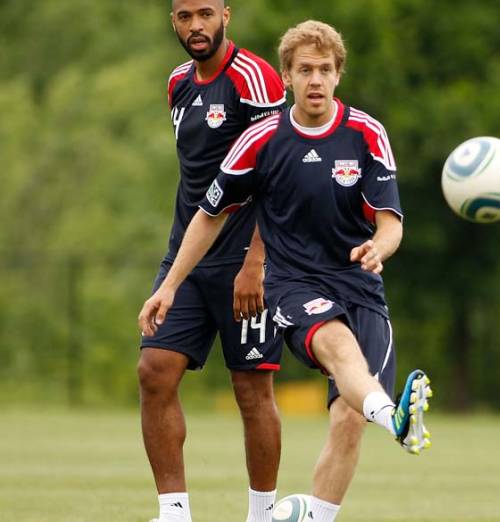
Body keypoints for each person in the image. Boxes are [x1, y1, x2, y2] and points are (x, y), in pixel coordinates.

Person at [139, 19, 432, 522]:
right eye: (304, 70)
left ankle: (318, 512)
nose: (315, 79)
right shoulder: (262, 139)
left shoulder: (365, 133)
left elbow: (390, 224)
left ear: (339, 75)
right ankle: (396, 418)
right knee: (338, 349)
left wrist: (377, 249)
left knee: (347, 416)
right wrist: (168, 286)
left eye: (324, 70)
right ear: (288, 77)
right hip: (294, 286)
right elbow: (208, 216)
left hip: (362, 286)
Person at [138, 1, 287, 521]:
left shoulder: (256, 77)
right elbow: (197, 181)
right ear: (173, 22)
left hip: (248, 262)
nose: (195, 26)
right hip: (188, 256)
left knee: (251, 389)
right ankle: (174, 512)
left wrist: (257, 264)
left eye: (205, 13)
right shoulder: (178, 82)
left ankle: (262, 514)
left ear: (226, 14)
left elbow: (277, 176)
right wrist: (175, 274)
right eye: (184, 16)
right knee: (154, 370)